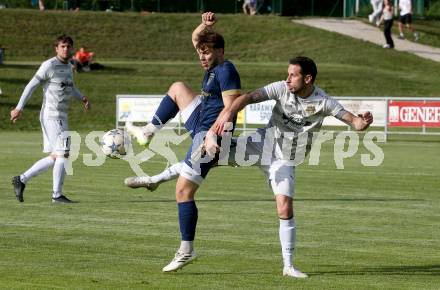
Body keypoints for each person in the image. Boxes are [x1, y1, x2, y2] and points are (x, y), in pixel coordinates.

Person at [125, 56, 373, 278]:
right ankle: (154, 180)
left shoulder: (324, 102)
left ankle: (288, 267)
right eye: (287, 74)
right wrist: (227, 112)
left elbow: (354, 123)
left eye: (293, 75)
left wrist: (363, 122)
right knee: (206, 156)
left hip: (284, 160)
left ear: (308, 78)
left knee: (285, 207)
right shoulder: (280, 88)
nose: (287, 79)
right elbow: (248, 97)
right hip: (261, 145)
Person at [125, 12, 241, 273]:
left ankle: (186, 250)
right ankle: (148, 132)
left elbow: (231, 109)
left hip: (210, 135)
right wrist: (204, 26)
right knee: (178, 87)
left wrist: (213, 137)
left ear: (220, 51)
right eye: (200, 52)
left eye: (207, 52)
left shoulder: (226, 71)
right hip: (200, 122)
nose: (202, 57)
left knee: (183, 192)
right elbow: (195, 38)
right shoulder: (212, 67)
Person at [10, 35, 90, 204]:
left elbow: (70, 86)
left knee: (56, 156)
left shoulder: (68, 66)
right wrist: (19, 107)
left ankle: (21, 179)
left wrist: (82, 97)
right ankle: (56, 195)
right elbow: (31, 86)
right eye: (62, 46)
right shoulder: (49, 65)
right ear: (56, 48)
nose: (65, 49)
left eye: (68, 46)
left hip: (62, 116)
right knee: (64, 154)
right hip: (51, 116)